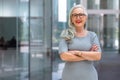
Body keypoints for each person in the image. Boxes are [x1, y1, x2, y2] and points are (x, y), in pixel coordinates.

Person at [59, 4, 102, 80]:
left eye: (81, 14)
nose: (78, 17)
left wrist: (78, 53)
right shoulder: (66, 34)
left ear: (86, 18)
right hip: (69, 77)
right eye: (75, 15)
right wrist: (89, 55)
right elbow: (64, 56)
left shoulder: (93, 35)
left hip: (90, 77)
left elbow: (97, 56)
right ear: (71, 19)